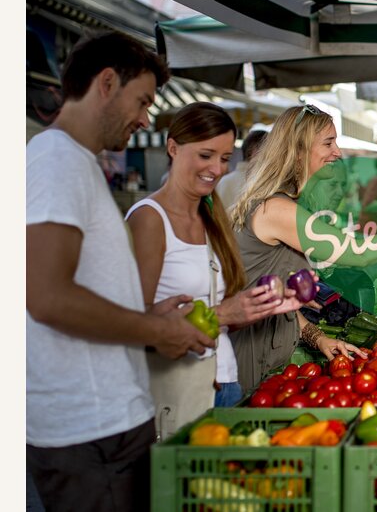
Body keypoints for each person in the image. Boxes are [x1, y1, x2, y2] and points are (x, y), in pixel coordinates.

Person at [26, 31, 216, 512]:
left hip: (104, 425)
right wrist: (154, 328)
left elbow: (75, 290)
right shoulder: (56, 162)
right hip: (89, 431)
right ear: (107, 83)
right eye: (142, 101)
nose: (145, 118)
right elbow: (45, 295)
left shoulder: (76, 163)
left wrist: (149, 315)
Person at [229, 104, 377, 391]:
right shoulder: (275, 209)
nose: (337, 152)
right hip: (252, 356)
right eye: (328, 143)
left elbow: (278, 298)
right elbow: (357, 252)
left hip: (271, 352)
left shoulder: (284, 205)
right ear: (299, 150)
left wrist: (316, 336)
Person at [125, 103, 304, 438]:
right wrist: (222, 313)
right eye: (206, 155)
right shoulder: (149, 219)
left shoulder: (211, 218)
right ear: (173, 147)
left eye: (224, 158)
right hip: (176, 391)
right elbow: (130, 325)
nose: (217, 169)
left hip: (226, 384)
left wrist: (255, 307)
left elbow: (222, 317)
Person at [216, 128, 269, 210]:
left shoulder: (223, 181)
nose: (271, 155)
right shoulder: (260, 182)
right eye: (267, 149)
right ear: (253, 151)